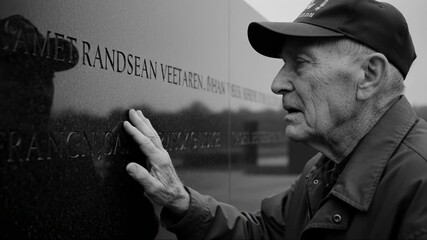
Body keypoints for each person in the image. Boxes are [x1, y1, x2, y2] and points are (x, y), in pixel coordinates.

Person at [123, 0, 427, 239]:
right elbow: (263, 234)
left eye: (301, 63)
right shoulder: (322, 170)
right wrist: (181, 202)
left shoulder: (419, 187)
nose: (277, 83)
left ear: (368, 75)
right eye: (284, 64)